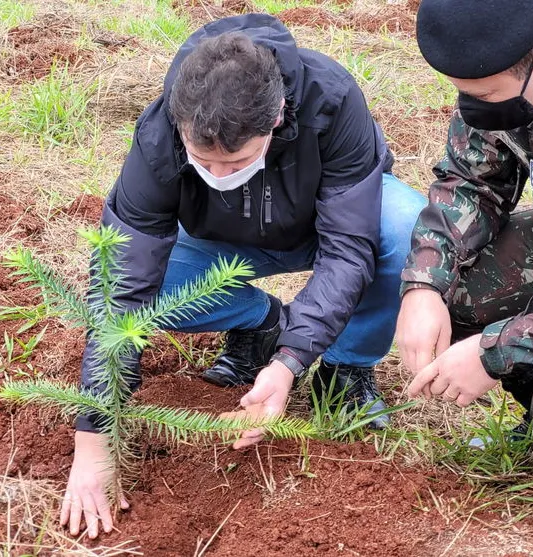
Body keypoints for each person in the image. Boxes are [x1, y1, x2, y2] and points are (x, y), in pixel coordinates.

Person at [63, 14, 426, 537]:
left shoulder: (332, 100)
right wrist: (93, 439)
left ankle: (346, 368)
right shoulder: (161, 130)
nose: (220, 176)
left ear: (276, 117)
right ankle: (260, 322)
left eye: (237, 161)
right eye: (204, 161)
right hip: (219, 241)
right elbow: (123, 280)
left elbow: (349, 249)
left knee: (403, 228)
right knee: (149, 288)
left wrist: (289, 365)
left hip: (320, 226)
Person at [397, 0, 533, 467]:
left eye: (488, 93)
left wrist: (497, 351)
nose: (474, 107)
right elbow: (471, 181)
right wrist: (423, 285)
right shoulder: (512, 56)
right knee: (456, 290)